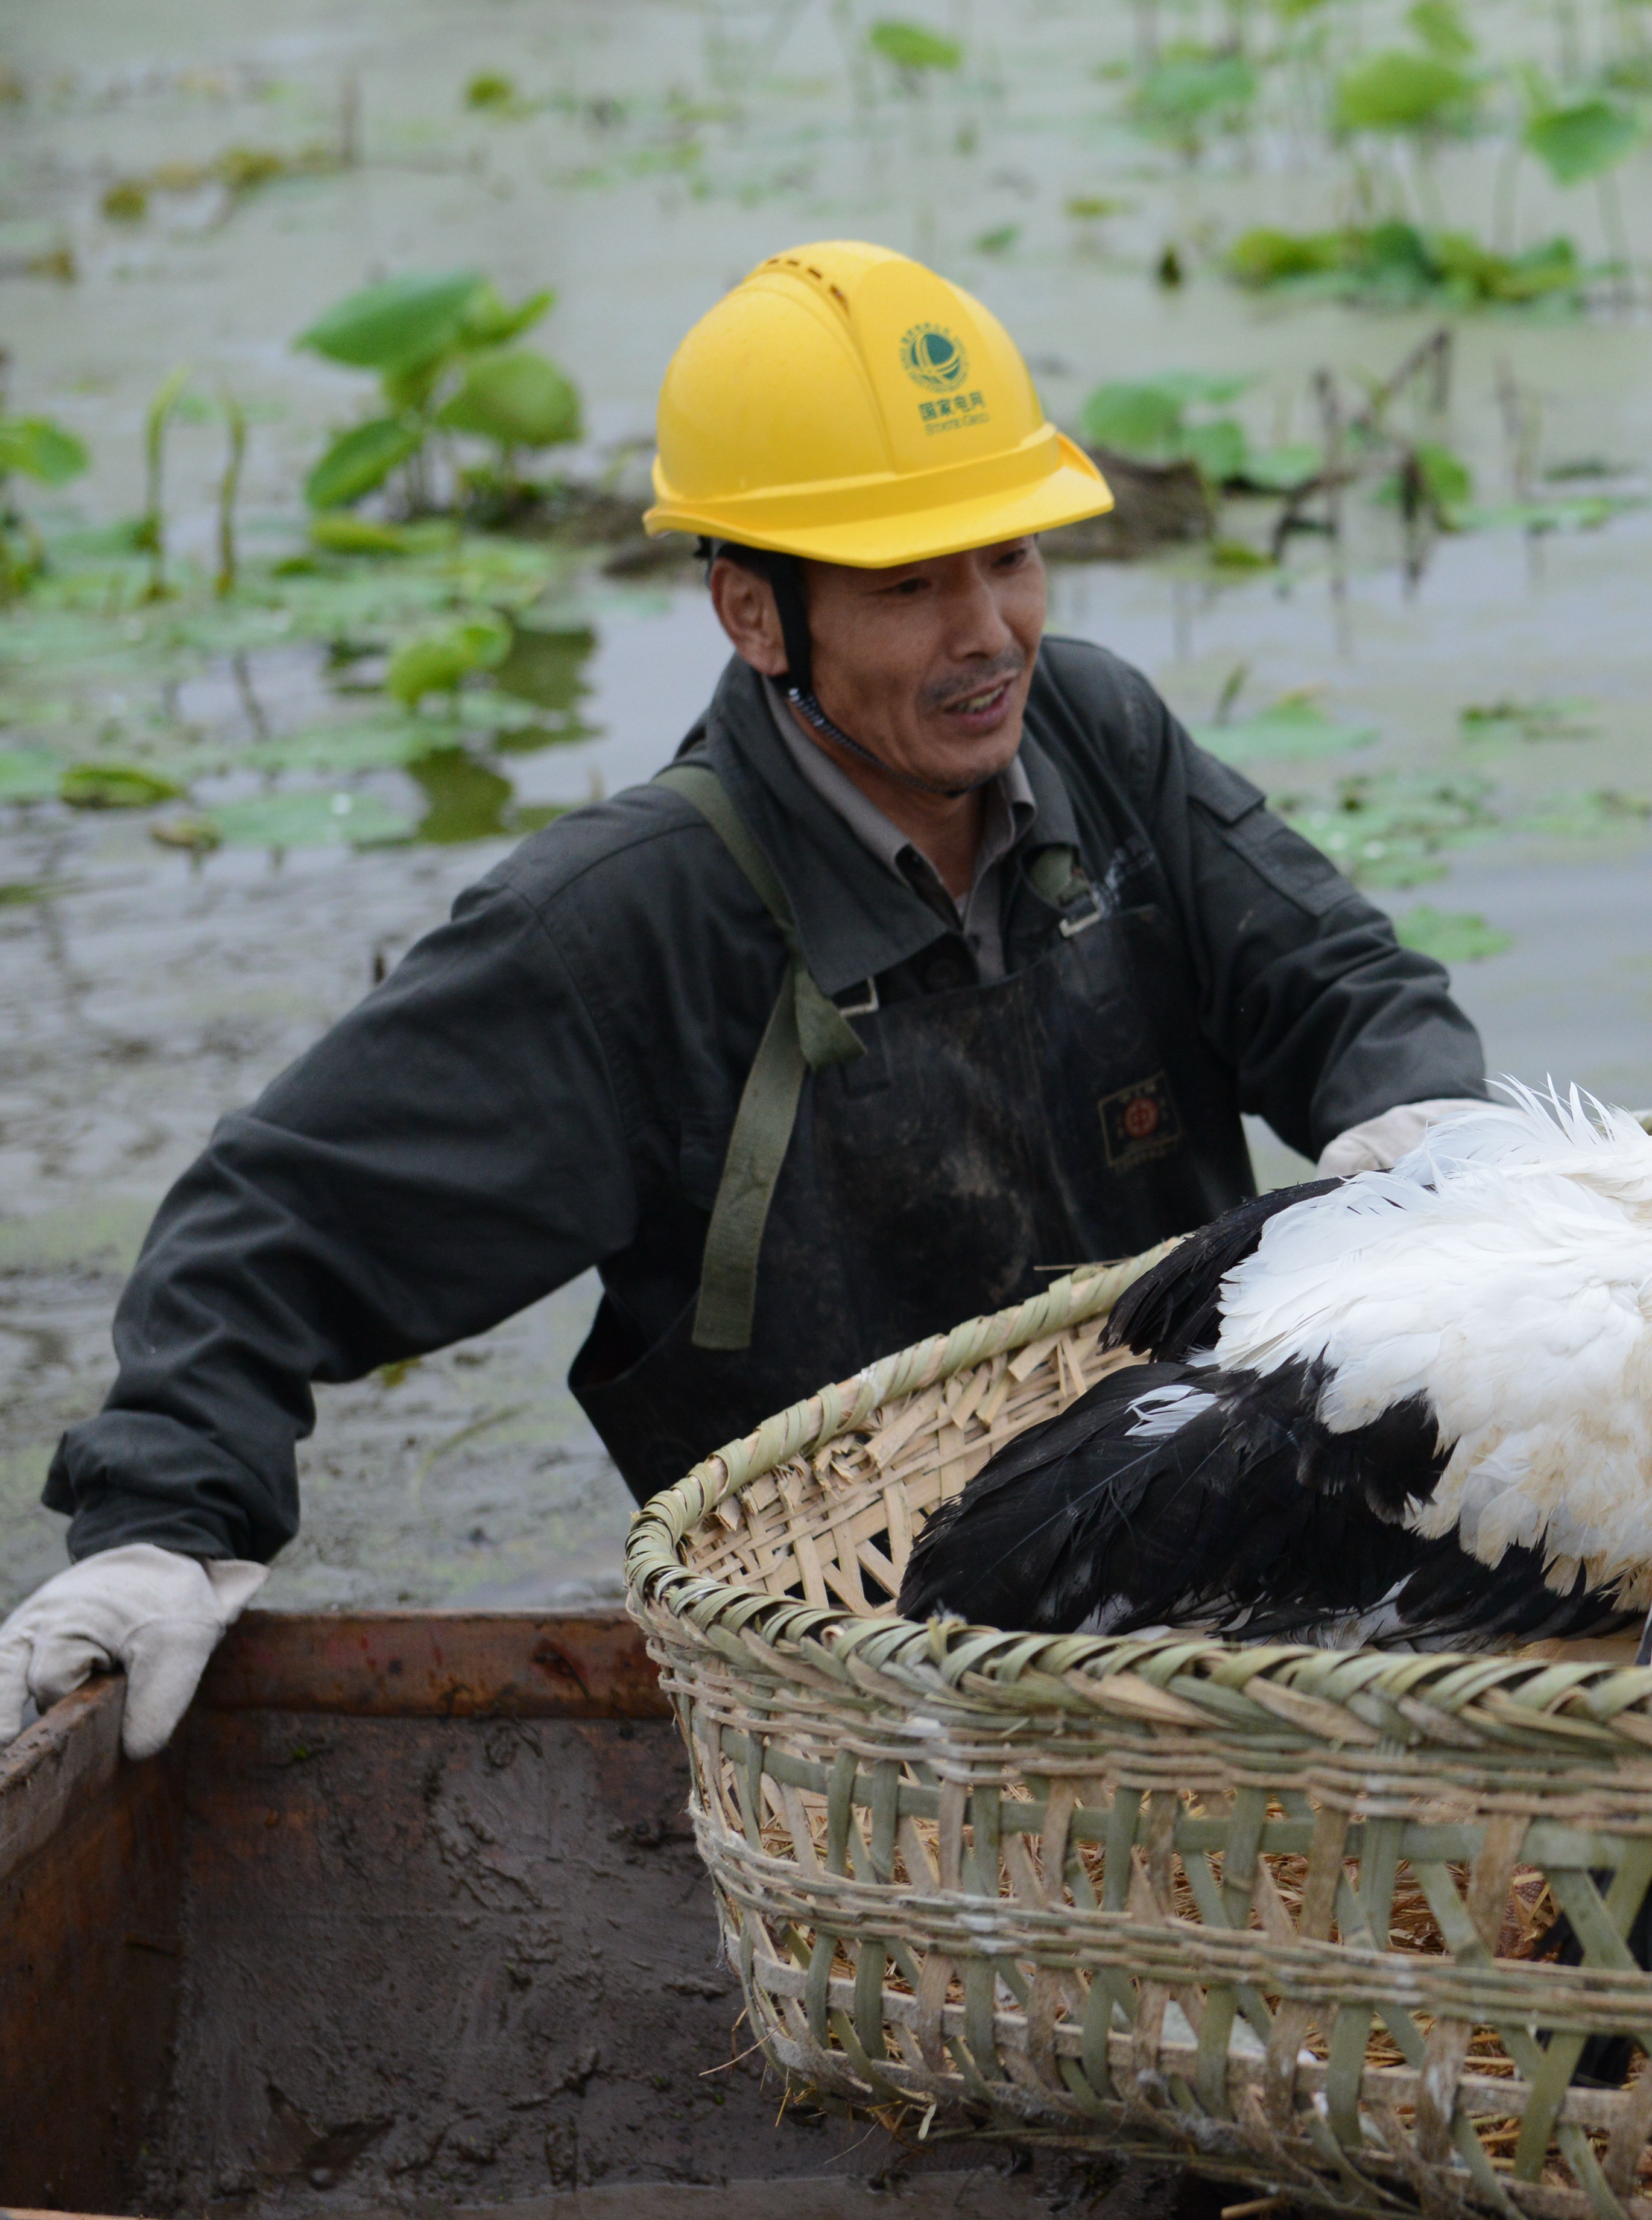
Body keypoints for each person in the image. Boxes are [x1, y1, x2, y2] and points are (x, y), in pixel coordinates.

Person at [0, 241, 1489, 1757]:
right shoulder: (626, 925)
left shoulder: (1098, 736)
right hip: (846, 1682)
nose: (991, 633)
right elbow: (267, 1231)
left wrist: (1423, 1141)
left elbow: (1348, 988)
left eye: (1012, 556)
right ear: (754, 614)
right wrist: (166, 1524)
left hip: (1195, 1597)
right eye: (911, 584)